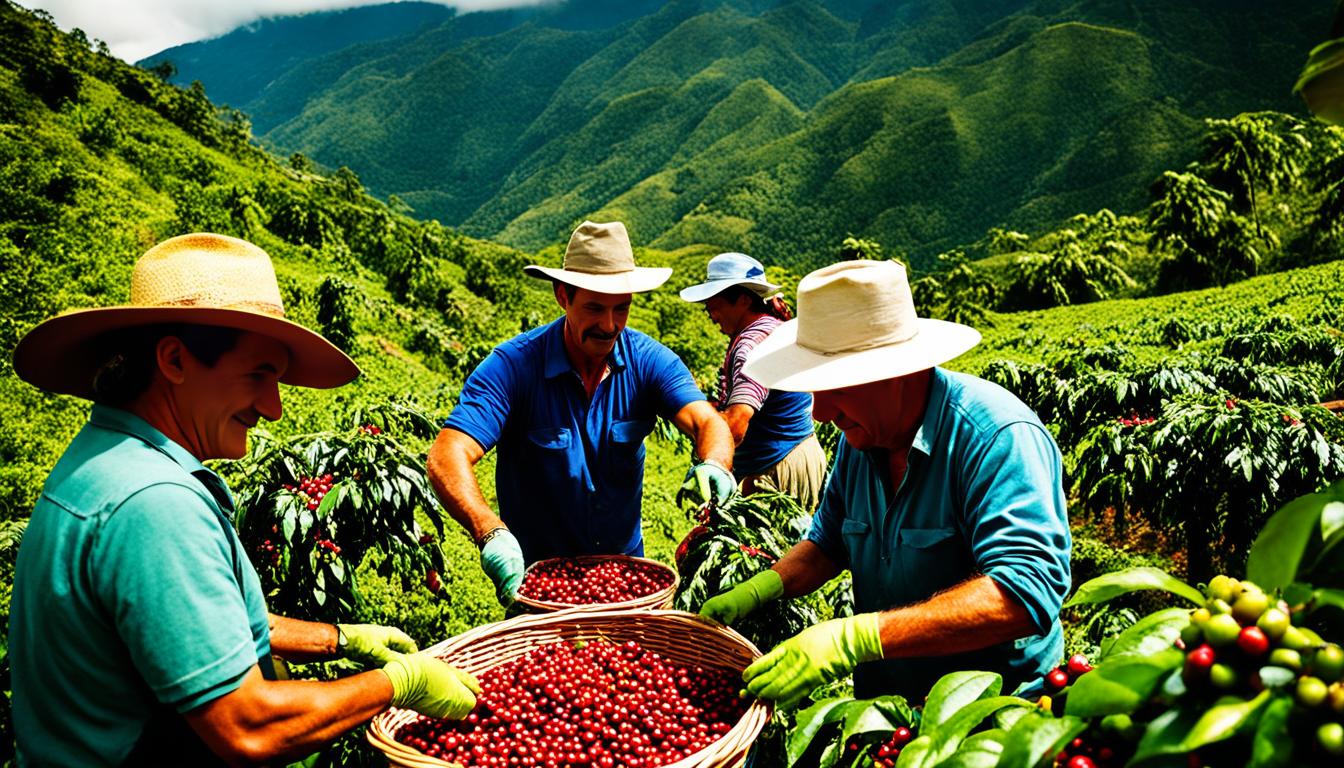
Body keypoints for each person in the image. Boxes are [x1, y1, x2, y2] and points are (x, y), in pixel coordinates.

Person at [8, 234, 480, 767]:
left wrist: (338, 639)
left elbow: (192, 623)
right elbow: (246, 726)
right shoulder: (156, 505)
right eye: (260, 375)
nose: (274, 409)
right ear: (175, 360)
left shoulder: (103, 461)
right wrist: (396, 684)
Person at [700, 259, 1071, 706]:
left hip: (990, 715)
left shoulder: (996, 438)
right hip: (886, 705)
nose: (820, 413)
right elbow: (828, 543)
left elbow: (1024, 593)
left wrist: (859, 637)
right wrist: (763, 587)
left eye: (833, 387)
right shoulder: (861, 439)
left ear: (896, 371)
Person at [428, 221, 736, 604]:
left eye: (621, 309)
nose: (609, 326)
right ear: (563, 297)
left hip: (622, 574)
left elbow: (707, 421)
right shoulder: (514, 367)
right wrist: (489, 530)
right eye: (594, 308)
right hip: (539, 583)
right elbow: (448, 453)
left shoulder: (648, 361)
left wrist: (715, 464)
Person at [679, 252, 827, 510]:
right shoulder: (771, 327)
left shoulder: (752, 345)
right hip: (795, 452)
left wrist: (704, 432)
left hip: (777, 467)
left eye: (714, 303)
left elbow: (736, 426)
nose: (709, 313)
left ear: (744, 300)